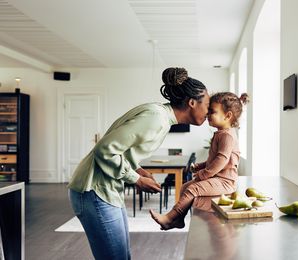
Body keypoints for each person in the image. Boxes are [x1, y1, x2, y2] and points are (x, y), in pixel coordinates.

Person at [67, 67, 210, 260]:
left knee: (121, 255)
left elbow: (122, 150)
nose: (209, 112)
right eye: (207, 105)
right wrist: (136, 179)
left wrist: (139, 170)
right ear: (192, 103)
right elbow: (104, 149)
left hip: (104, 190)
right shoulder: (156, 118)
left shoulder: (160, 116)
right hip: (94, 190)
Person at [150, 92, 249, 230]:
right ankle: (179, 220)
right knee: (185, 187)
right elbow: (214, 160)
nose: (207, 115)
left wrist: (205, 174)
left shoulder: (227, 136)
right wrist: (200, 166)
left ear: (228, 116)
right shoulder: (221, 134)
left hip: (225, 181)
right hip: (217, 178)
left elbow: (221, 160)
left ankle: (170, 217)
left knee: (193, 189)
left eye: (212, 112)